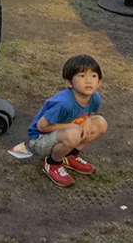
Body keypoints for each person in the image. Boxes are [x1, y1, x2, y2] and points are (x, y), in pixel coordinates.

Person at [27, 54, 108, 189]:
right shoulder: (63, 103)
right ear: (69, 82)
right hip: (40, 139)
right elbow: (41, 126)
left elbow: (84, 115)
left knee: (100, 123)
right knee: (73, 134)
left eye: (93, 76)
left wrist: (87, 120)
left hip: (64, 132)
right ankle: (52, 162)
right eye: (82, 76)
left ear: (99, 82)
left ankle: (69, 156)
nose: (89, 81)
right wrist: (73, 126)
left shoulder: (95, 98)